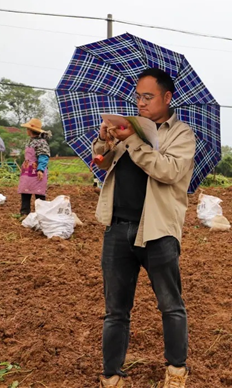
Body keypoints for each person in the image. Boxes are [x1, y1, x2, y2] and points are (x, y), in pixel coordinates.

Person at [92, 68, 196, 388]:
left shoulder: (181, 135)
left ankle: (176, 371)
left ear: (167, 97)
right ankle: (111, 376)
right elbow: (103, 163)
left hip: (157, 231)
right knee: (115, 311)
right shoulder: (130, 128)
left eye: (147, 97)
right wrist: (105, 141)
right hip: (118, 228)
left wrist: (134, 140)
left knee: (170, 305)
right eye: (137, 96)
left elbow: (167, 170)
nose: (140, 102)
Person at [17, 118, 51, 217]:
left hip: (36, 171)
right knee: (25, 191)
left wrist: (40, 170)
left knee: (39, 193)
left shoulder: (42, 142)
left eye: (27, 129)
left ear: (30, 130)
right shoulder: (30, 141)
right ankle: (24, 213)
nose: (26, 131)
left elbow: (43, 156)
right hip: (27, 171)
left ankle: (41, 214)